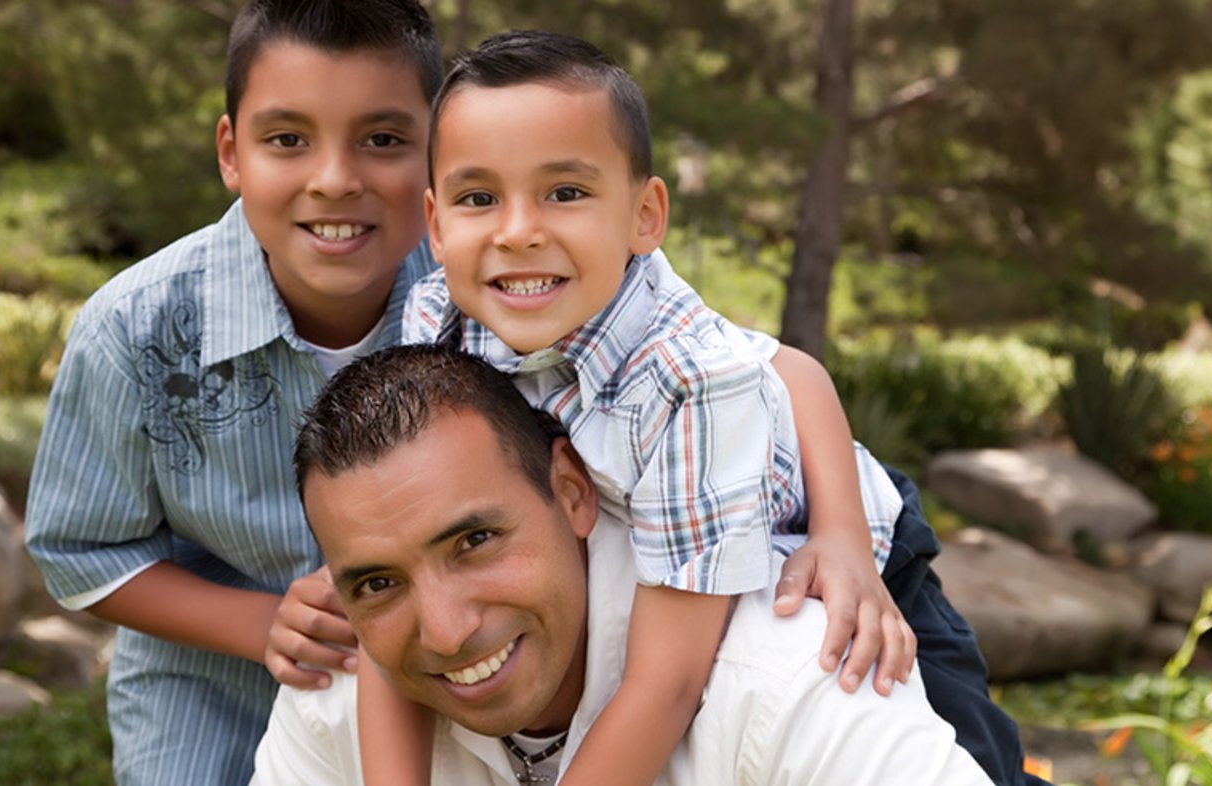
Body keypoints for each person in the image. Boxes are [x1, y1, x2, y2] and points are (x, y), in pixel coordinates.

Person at [392, 30, 1046, 786]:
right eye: (480, 199)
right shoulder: (439, 317)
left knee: (970, 762)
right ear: (436, 225)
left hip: (855, 548)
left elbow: (667, 682)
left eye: (565, 192)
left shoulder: (683, 377)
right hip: (687, 525)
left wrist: (840, 539)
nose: (518, 231)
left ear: (646, 215)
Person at [22, 2, 444, 784]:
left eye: (382, 141)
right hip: (211, 697)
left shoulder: (479, 312)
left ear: (437, 151)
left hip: (439, 683)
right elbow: (80, 550)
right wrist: (260, 623)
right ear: (232, 152)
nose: (335, 180)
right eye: (288, 140)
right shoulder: (135, 327)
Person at [252, 343, 996, 786]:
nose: (445, 633)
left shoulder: (788, 673)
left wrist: (840, 534)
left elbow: (788, 368)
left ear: (573, 493)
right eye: (378, 582)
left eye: (475, 541)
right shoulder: (336, 686)